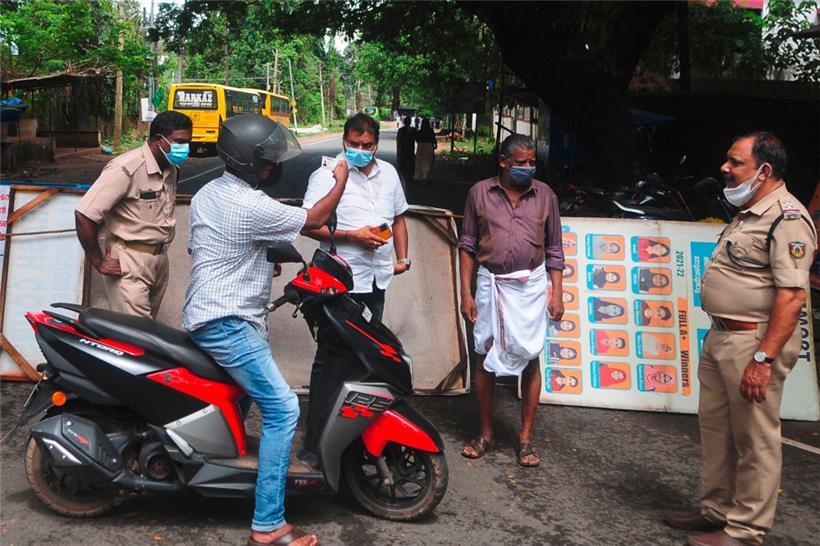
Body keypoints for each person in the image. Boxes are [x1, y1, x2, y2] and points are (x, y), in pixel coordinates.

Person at [183, 113, 348, 546]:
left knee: (240, 402)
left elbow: (213, 244)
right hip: (228, 322)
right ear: (248, 162)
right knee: (282, 410)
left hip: (209, 312)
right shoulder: (249, 203)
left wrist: (260, 257)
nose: (274, 168)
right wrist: (339, 180)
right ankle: (268, 525)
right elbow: (314, 221)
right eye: (269, 162)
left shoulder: (210, 193)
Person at [662, 132, 816, 546]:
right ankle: (716, 510)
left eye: (735, 162)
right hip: (722, 339)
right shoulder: (751, 211)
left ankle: (746, 531)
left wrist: (762, 360)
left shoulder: (788, 219)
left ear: (764, 170)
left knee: (754, 441)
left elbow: (791, 295)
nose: (724, 169)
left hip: (752, 346)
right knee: (716, 432)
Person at [301, 113, 410, 459]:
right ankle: (315, 430)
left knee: (369, 352)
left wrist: (403, 259)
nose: (359, 150)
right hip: (341, 281)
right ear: (344, 141)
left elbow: (399, 218)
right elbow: (308, 225)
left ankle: (354, 424)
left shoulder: (389, 173)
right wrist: (353, 236)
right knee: (331, 356)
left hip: (378, 278)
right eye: (353, 144)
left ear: (377, 144)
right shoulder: (325, 176)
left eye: (366, 145)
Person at [458, 133, 564, 468]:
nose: (528, 168)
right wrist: (466, 292)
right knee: (484, 355)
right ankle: (486, 434)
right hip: (491, 284)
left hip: (531, 286)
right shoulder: (479, 193)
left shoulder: (546, 195)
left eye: (532, 162)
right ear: (503, 162)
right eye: (521, 162)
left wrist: (557, 292)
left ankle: (526, 439)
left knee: (530, 356)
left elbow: (554, 250)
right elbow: (468, 244)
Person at [75, 111, 192, 318]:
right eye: (179, 142)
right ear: (159, 140)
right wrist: (99, 261)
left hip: (159, 259)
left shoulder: (171, 168)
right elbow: (85, 214)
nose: (185, 148)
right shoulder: (126, 168)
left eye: (187, 142)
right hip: (129, 260)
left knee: (148, 333)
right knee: (136, 335)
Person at [414, 118, 437, 182]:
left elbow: (417, 139)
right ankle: (426, 176)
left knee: (419, 161)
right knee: (427, 161)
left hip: (420, 146)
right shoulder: (430, 130)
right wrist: (435, 144)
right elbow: (433, 138)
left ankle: (419, 176)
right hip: (429, 146)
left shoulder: (419, 131)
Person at [395, 116, 416, 184]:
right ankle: (409, 174)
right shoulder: (413, 130)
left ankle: (404, 174)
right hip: (410, 148)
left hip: (403, 149)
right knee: (409, 161)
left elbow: (398, 140)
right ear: (410, 122)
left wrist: (399, 150)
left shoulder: (401, 130)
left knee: (403, 162)